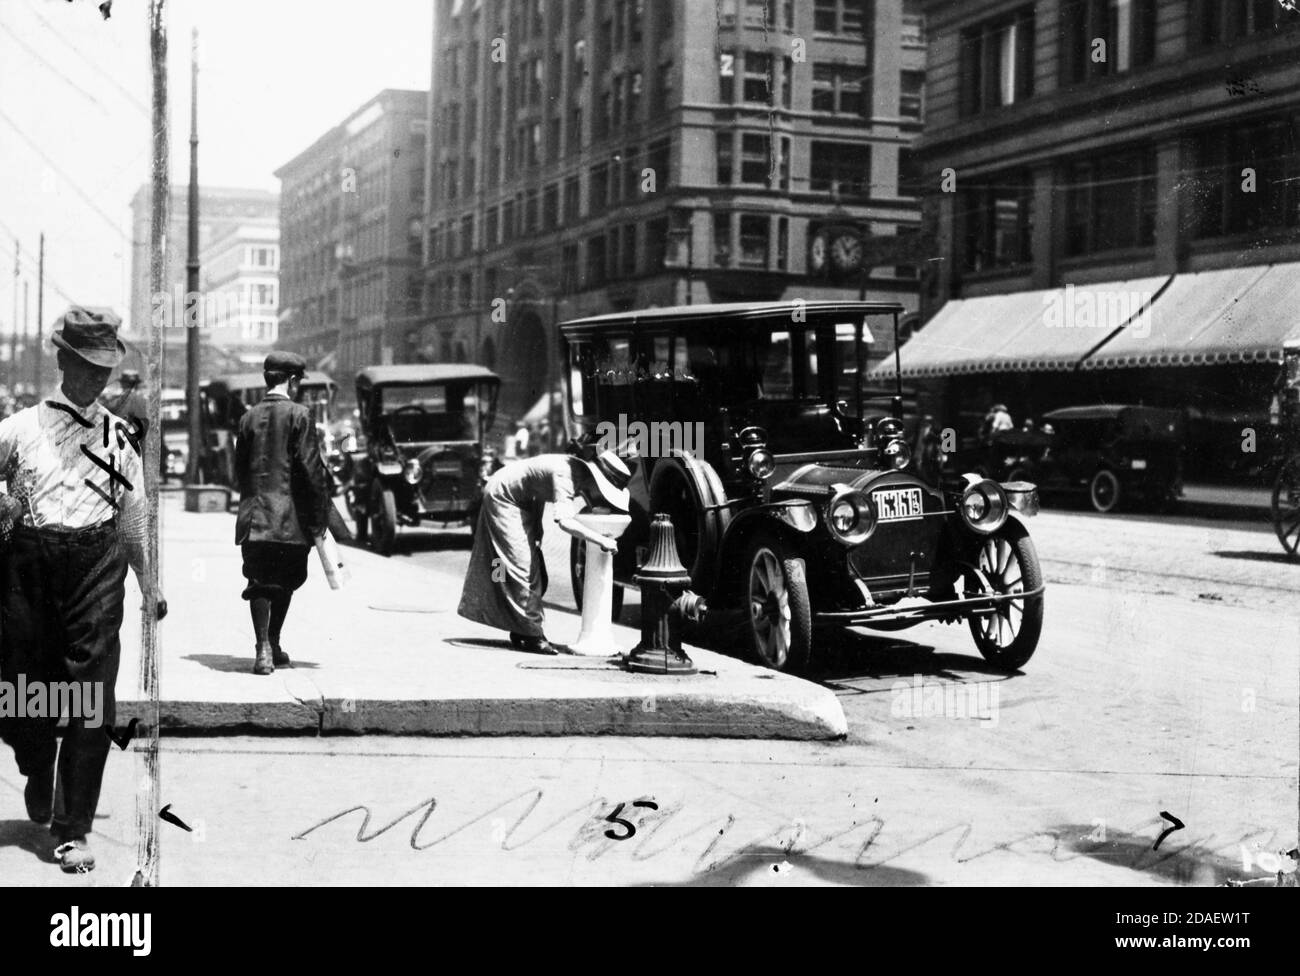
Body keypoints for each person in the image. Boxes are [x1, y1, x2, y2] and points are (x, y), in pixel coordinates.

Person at [0, 307, 165, 874]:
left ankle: (73, 829)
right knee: (22, 692)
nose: (98, 379)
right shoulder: (18, 430)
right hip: (28, 567)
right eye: (87, 366)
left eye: (106, 369)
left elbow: (134, 514)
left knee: (91, 699)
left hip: (97, 567)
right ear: (63, 360)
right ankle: (35, 759)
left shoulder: (120, 437)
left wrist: (149, 583)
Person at [458, 449, 631, 654]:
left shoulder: (572, 471)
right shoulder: (565, 476)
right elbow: (564, 522)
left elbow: (537, 489)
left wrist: (537, 525)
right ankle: (532, 635)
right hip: (503, 497)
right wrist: (601, 539)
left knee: (525, 565)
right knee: (520, 567)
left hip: (519, 498)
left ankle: (520, 626)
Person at [233, 351, 332, 676]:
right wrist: (318, 519)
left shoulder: (248, 417)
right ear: (292, 380)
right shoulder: (300, 415)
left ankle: (263, 647)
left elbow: (239, 472)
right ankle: (272, 643)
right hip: (289, 520)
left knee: (258, 580)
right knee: (285, 581)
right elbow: (310, 470)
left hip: (254, 517)